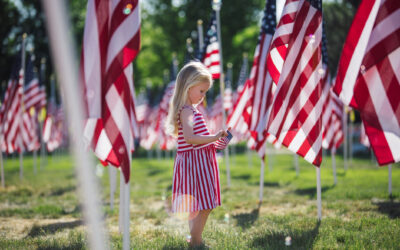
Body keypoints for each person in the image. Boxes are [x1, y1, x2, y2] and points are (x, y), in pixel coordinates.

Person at [166, 61, 231, 247]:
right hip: (195, 166)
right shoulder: (187, 111)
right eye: (201, 91)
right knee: (205, 204)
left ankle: (195, 238)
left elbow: (200, 141)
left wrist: (220, 141)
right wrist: (214, 136)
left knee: (196, 205)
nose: (203, 96)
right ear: (188, 87)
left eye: (205, 92)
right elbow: (190, 138)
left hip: (198, 162)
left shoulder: (192, 111)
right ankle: (195, 240)